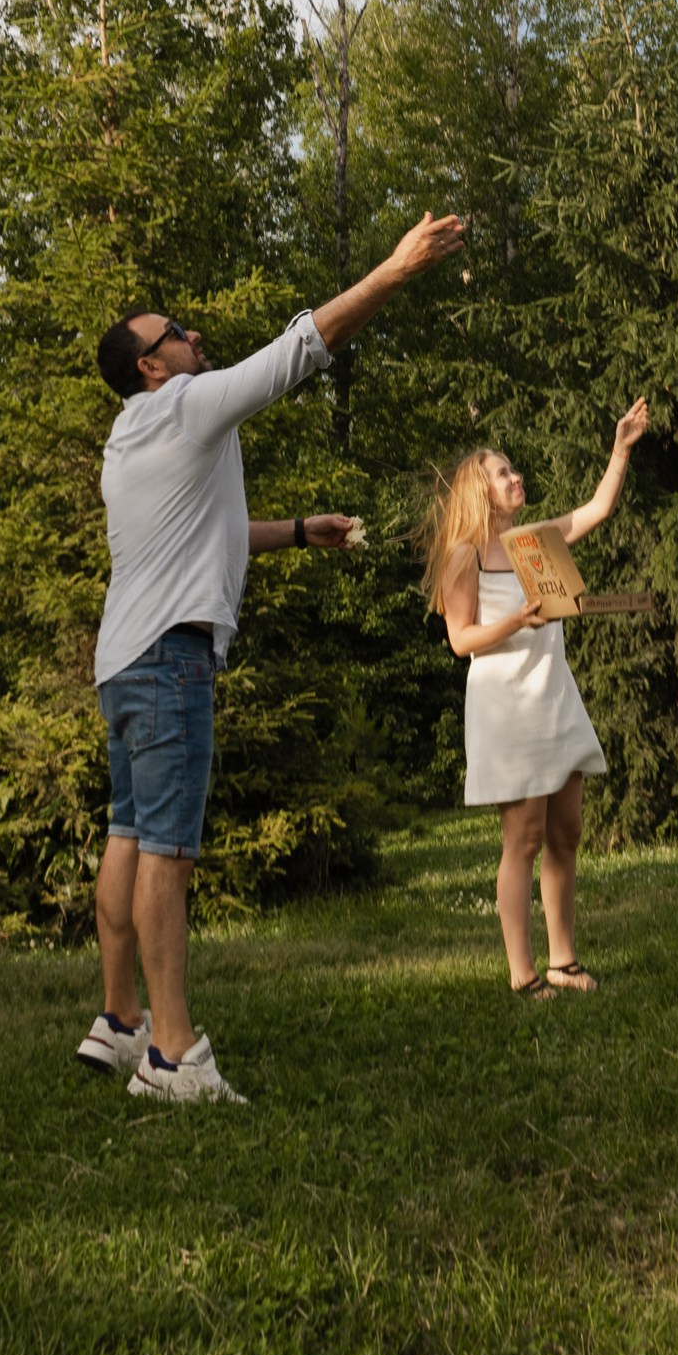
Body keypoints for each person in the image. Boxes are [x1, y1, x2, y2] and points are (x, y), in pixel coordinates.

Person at [77, 210, 465, 1103]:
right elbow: (296, 352)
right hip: (171, 659)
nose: (191, 334)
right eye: (174, 332)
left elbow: (201, 534)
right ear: (150, 365)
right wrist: (394, 271)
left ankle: (121, 1020)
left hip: (121, 663)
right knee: (168, 854)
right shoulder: (181, 405)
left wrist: (296, 532)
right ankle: (175, 1059)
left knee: (129, 836)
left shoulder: (127, 440)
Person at [422, 400, 649, 997]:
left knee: (566, 831)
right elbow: (460, 638)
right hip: (507, 706)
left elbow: (597, 510)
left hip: (555, 698)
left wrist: (620, 450)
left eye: (513, 469)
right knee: (521, 839)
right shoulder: (463, 554)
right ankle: (523, 974)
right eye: (503, 472)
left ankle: (564, 960)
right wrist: (516, 623)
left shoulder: (532, 543)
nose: (515, 477)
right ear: (480, 490)